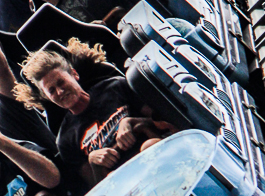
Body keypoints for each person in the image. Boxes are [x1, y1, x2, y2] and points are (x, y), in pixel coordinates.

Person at [18, 47, 177, 188]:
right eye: (51, 90)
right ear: (47, 97)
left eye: (61, 82)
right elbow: (97, 191)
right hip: (126, 185)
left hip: (160, 154)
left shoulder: (115, 87)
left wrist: (132, 122)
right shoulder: (65, 140)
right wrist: (93, 161)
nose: (59, 92)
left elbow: (165, 122)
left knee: (149, 145)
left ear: (74, 74)